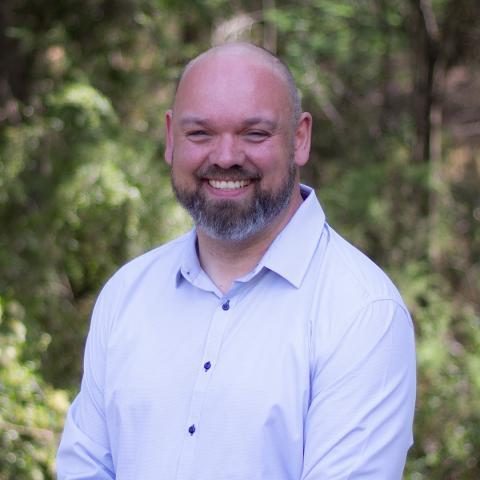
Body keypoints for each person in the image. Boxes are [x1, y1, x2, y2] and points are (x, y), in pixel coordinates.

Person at [56, 42, 416, 479]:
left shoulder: (363, 313)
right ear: (171, 138)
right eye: (201, 134)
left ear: (299, 139)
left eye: (254, 133)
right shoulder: (125, 295)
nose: (225, 157)